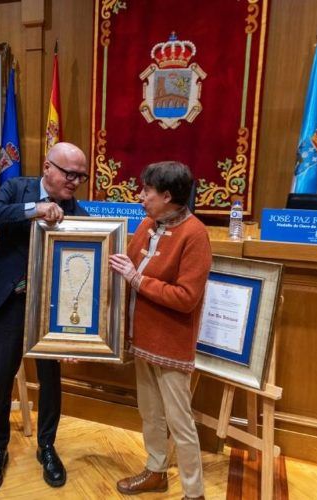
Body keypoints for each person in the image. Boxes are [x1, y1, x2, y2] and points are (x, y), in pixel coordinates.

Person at [0, 142, 89, 494]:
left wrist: (80, 332)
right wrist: (33, 210)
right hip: (10, 300)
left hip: (50, 310)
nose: (75, 182)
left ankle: (47, 447)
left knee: (51, 380)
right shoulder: (17, 188)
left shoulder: (79, 215)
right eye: (70, 174)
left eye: (80, 176)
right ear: (47, 167)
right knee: (1, 376)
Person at [109, 161, 211, 500]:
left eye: (147, 192)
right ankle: (156, 471)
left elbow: (186, 298)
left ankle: (194, 493)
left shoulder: (195, 234)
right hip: (142, 340)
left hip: (170, 344)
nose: (141, 197)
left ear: (167, 196)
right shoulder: (148, 223)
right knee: (150, 413)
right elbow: (123, 262)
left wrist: (137, 279)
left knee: (180, 423)